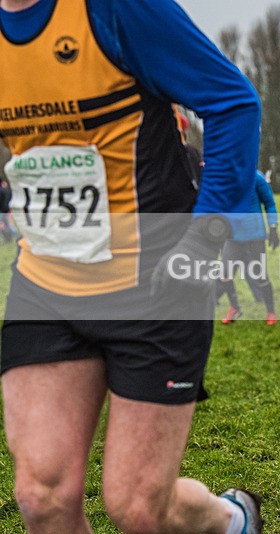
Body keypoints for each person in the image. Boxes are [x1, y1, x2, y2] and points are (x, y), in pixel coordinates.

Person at [0, 0, 264, 532]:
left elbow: (234, 103)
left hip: (156, 288)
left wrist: (205, 234)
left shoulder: (117, 9)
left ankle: (234, 521)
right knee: (41, 498)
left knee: (139, 508)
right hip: (46, 285)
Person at [219, 169, 280, 325]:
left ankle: (271, 312)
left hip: (255, 236)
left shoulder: (256, 177)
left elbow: (269, 203)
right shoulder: (224, 177)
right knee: (224, 276)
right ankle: (234, 307)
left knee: (260, 276)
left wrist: (273, 228)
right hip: (231, 237)